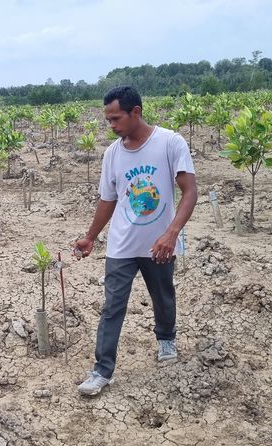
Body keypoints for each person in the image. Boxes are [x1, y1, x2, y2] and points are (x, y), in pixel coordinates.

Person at [74, 85, 197, 396]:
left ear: (136, 112)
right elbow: (108, 199)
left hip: (160, 242)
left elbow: (190, 191)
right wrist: (91, 236)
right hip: (122, 244)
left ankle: (166, 338)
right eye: (108, 120)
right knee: (112, 306)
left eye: (116, 119)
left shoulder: (170, 143)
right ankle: (102, 370)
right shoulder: (112, 154)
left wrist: (171, 233)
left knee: (163, 295)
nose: (111, 126)